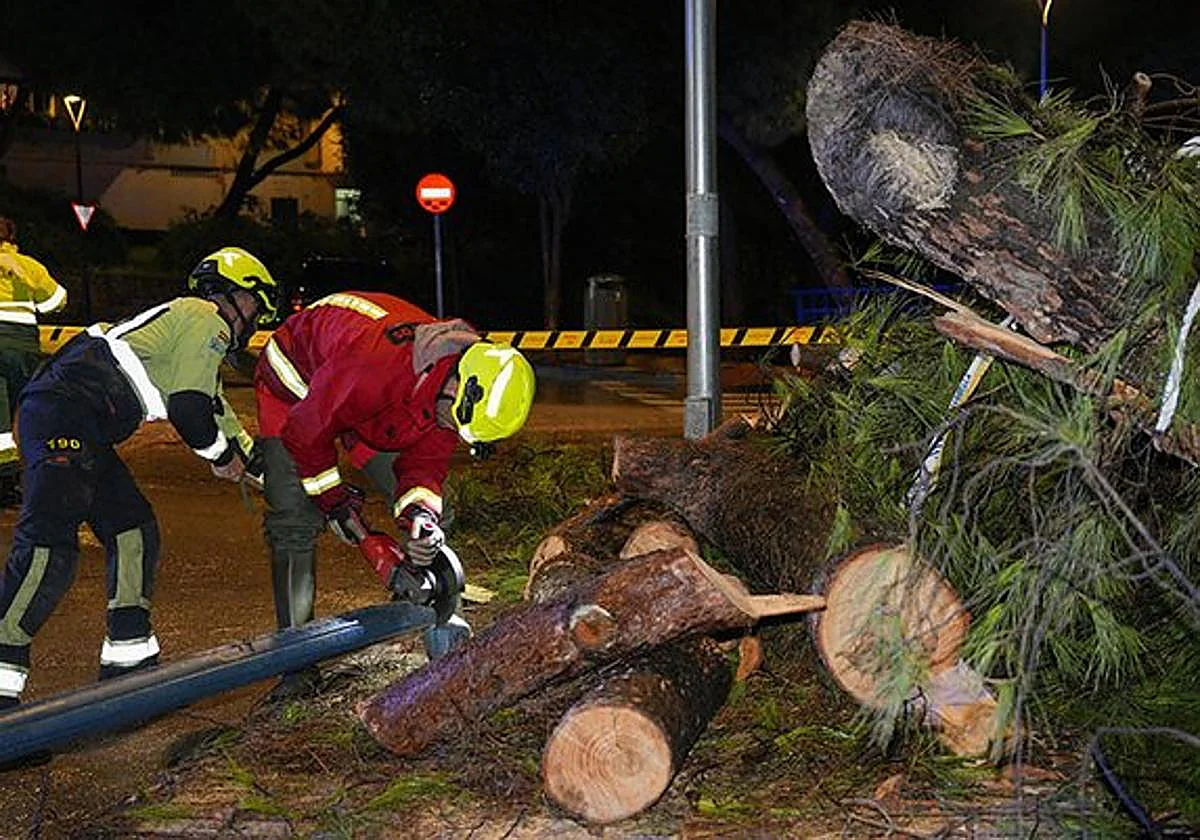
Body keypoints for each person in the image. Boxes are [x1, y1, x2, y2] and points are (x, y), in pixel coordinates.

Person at [0, 246, 275, 711]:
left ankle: (128, 667)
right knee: (48, 549)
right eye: (255, 305)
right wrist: (219, 456)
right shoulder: (206, 317)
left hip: (77, 422)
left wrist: (280, 477)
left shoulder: (193, 337)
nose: (255, 319)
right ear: (234, 295)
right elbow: (191, 412)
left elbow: (220, 419)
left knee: (133, 531)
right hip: (64, 414)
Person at [254, 291, 534, 671]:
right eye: (454, 420)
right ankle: (295, 662)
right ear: (455, 386)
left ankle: (418, 608)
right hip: (295, 387)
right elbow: (306, 431)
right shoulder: (375, 366)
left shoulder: (456, 394)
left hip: (368, 409)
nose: (450, 428)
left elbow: (424, 468)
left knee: (440, 510)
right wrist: (336, 505)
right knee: (294, 521)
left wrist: (421, 518)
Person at [0, 217, 68, 503]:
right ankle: (11, 478)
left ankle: (4, 480)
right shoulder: (28, 266)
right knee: (15, 410)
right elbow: (56, 302)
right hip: (21, 347)